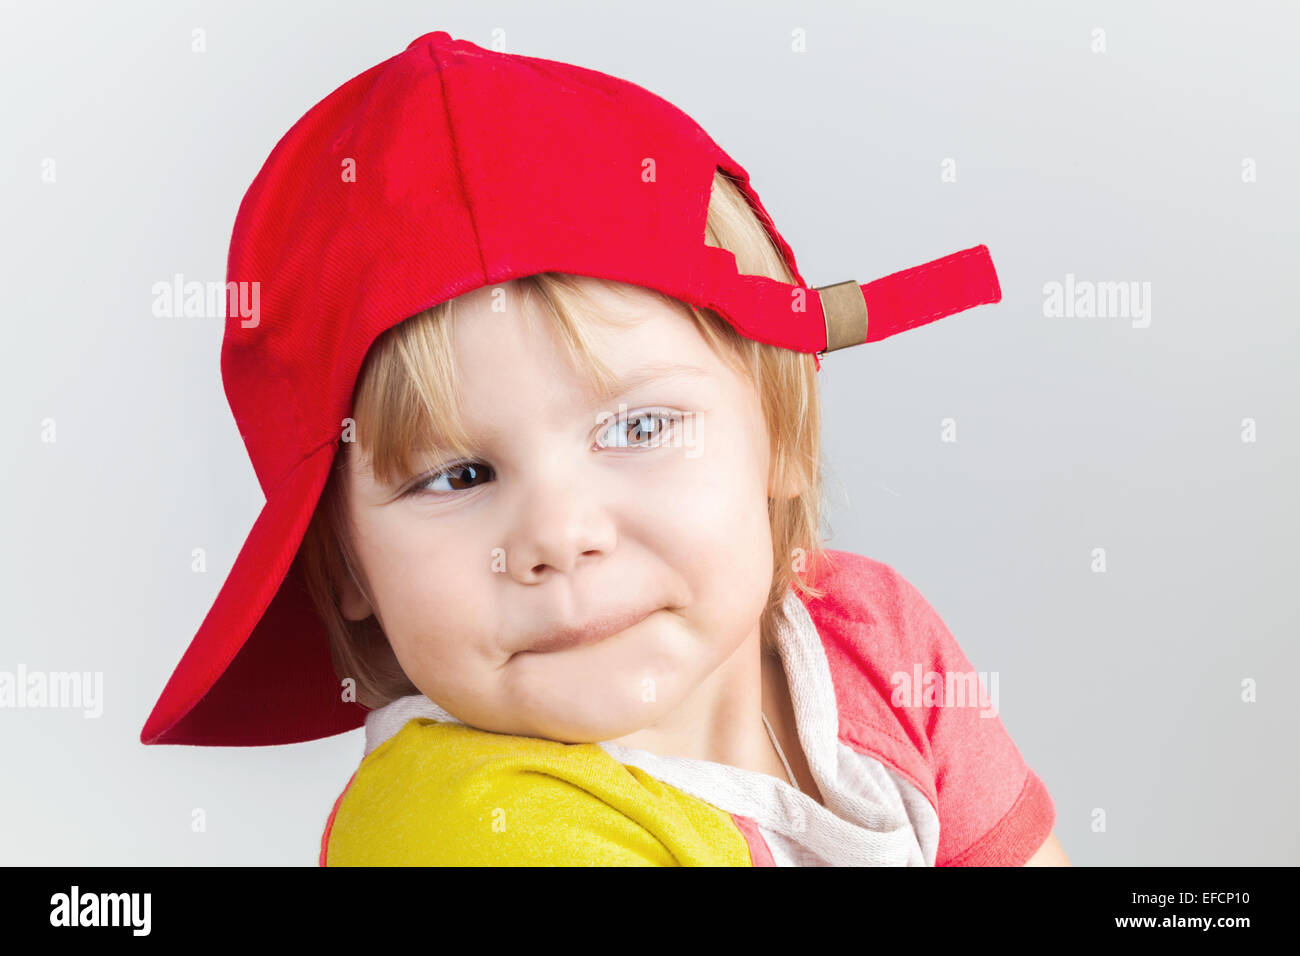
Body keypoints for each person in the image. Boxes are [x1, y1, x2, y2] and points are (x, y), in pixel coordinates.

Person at [141, 30, 1067, 867]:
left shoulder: (874, 635)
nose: (558, 533)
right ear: (344, 560)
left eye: (637, 427)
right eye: (458, 475)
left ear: (776, 433)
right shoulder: (461, 827)